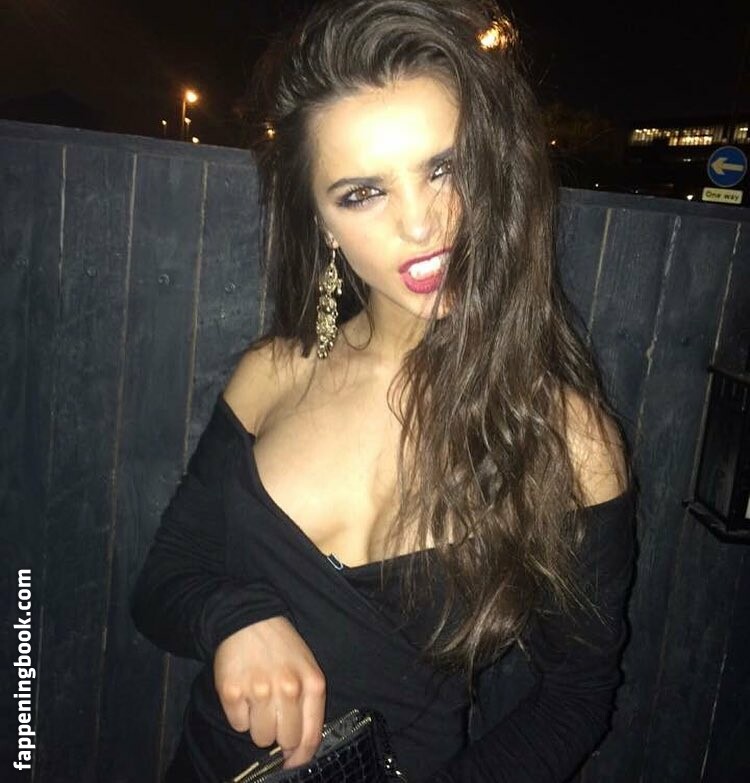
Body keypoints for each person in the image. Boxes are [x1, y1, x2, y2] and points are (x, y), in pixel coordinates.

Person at [130, 1, 637, 781]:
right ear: (322, 221)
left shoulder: (571, 440)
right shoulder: (275, 374)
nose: (422, 224)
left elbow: (576, 697)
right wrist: (233, 618)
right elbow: (165, 581)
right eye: (363, 192)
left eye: (444, 168)